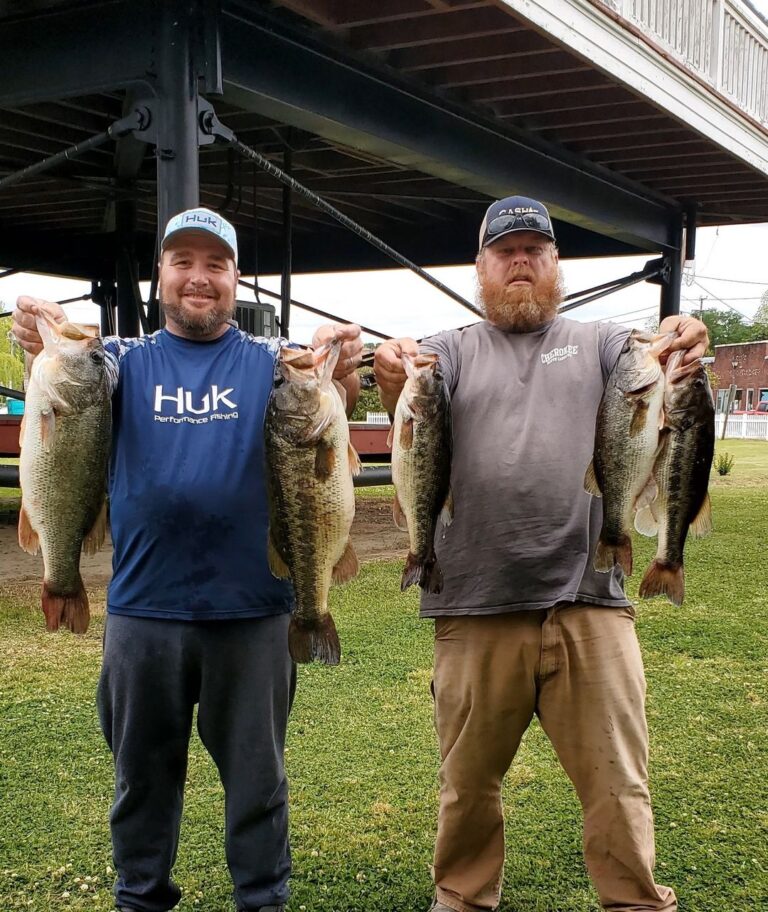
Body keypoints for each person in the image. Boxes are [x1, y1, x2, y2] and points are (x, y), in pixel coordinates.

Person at [12, 207, 363, 912]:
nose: (198, 277)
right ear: (160, 276)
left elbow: (326, 404)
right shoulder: (122, 364)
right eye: (183, 262)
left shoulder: (271, 365)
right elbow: (66, 401)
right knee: (140, 783)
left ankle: (261, 900)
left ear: (235, 278)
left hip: (257, 613)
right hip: (144, 612)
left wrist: (340, 358)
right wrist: (34, 337)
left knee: (258, 785)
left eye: (216, 264)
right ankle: (140, 897)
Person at [374, 195, 709, 912]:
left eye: (535, 250)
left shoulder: (600, 343)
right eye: (506, 251)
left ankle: (636, 903)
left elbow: (660, 358)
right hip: (473, 603)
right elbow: (408, 393)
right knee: (466, 789)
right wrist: (389, 370)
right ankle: (460, 901)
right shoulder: (451, 348)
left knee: (619, 785)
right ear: (482, 267)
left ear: (556, 265)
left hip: (591, 599)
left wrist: (681, 333)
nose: (520, 261)